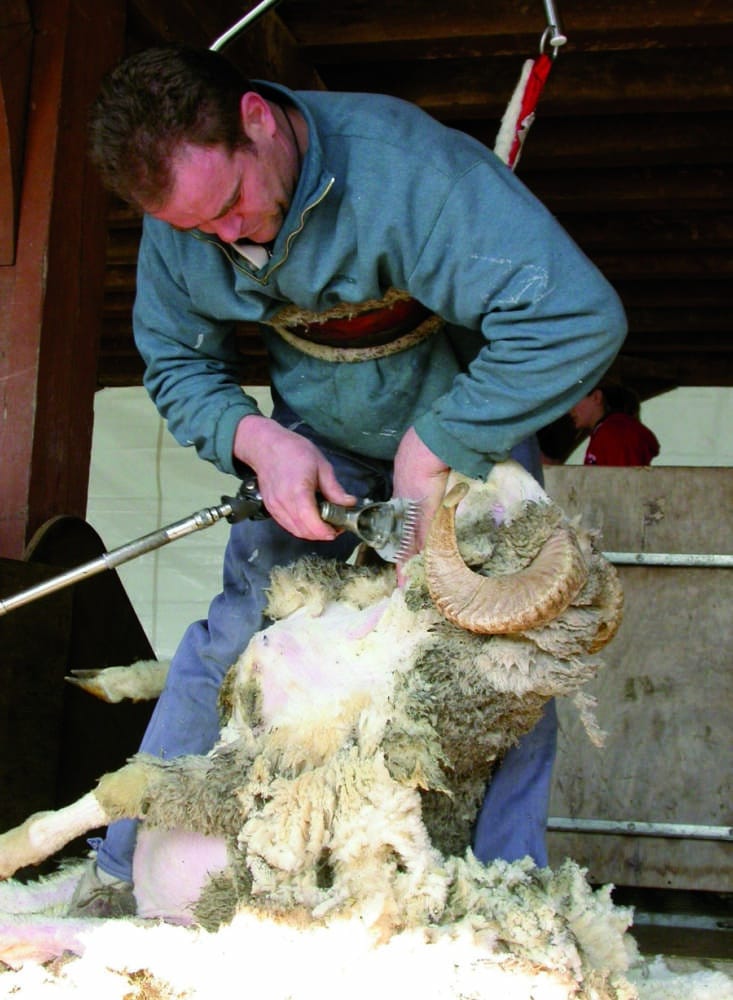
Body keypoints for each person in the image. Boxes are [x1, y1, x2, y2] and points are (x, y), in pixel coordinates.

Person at [70, 45, 627, 915]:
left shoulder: (411, 172)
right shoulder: (186, 218)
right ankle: (116, 870)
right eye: (194, 229)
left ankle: (508, 893)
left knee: (504, 658)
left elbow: (574, 316)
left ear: (256, 118)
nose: (226, 238)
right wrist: (254, 438)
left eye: (229, 206)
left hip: (461, 436)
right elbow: (176, 360)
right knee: (227, 636)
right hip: (314, 443)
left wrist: (437, 443)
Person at [570, 382, 659, 466]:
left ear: (596, 397)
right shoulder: (605, 431)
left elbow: (624, 480)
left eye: (575, 400)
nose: (570, 410)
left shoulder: (616, 432)